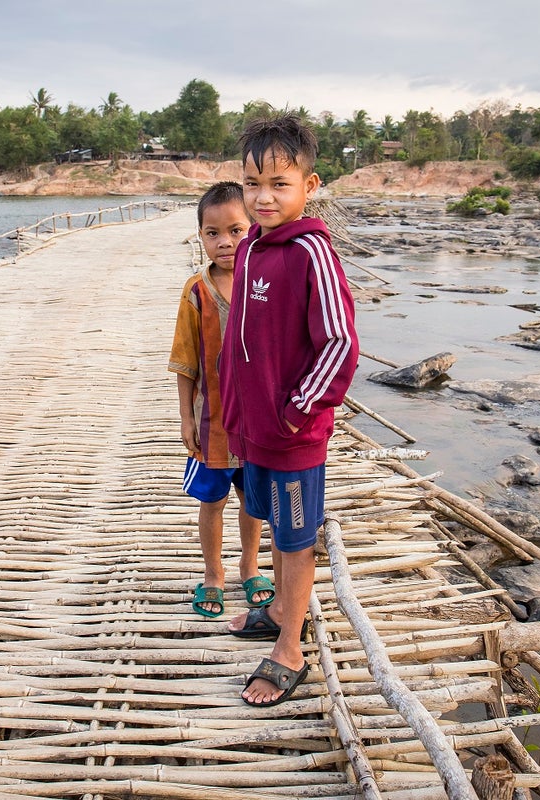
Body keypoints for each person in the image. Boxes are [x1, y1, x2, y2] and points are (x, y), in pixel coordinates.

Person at [221, 113, 359, 707]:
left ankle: (290, 649)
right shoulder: (250, 246)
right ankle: (279, 607)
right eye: (253, 184)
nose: (264, 197)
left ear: (311, 184)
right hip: (254, 430)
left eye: (280, 183)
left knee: (296, 536)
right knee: (274, 523)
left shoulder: (310, 253)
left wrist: (298, 409)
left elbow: (339, 342)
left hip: (292, 434)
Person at [169, 181, 274, 619]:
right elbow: (185, 361)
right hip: (212, 424)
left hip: (258, 424)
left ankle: (250, 567)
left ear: (253, 227)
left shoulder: (265, 284)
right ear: (201, 236)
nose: (225, 241)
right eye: (213, 233)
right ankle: (213, 574)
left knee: (253, 501)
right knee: (211, 502)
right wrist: (185, 419)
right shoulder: (197, 292)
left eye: (235, 229)